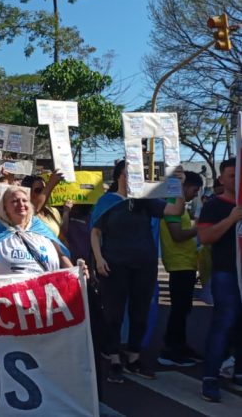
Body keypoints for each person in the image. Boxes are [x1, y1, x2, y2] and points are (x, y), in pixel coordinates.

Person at [91, 159, 186, 384]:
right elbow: (95, 232)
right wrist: (98, 258)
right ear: (119, 177)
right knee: (113, 313)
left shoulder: (146, 201)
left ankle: (133, 356)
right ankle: (113, 356)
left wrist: (178, 187)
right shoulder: (107, 201)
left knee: (140, 312)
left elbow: (175, 210)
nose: (133, 177)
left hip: (144, 264)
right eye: (128, 173)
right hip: (114, 264)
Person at [197, 158, 242, 402]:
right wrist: (231, 220)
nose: (236, 179)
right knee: (223, 323)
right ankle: (210, 377)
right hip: (226, 273)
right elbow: (204, 237)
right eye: (232, 175)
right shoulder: (214, 205)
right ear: (222, 179)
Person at [0, 186, 72, 276]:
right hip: (7, 295)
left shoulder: (40, 227)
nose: (21, 204)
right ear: (5, 207)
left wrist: (75, 274)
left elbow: (61, 256)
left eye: (24, 200)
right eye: (15, 201)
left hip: (44, 293)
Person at [158, 171, 204, 367]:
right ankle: (171, 349)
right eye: (194, 190)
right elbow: (177, 235)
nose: (195, 194)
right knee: (179, 309)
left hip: (185, 262)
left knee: (183, 308)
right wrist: (200, 228)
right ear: (185, 187)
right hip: (179, 263)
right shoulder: (172, 207)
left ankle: (180, 345)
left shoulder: (179, 207)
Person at [21, 171, 64, 238]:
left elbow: (61, 238)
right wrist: (51, 183)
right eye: (38, 190)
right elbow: (36, 209)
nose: (44, 193)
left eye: (45, 189)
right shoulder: (24, 212)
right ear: (27, 193)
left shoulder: (53, 211)